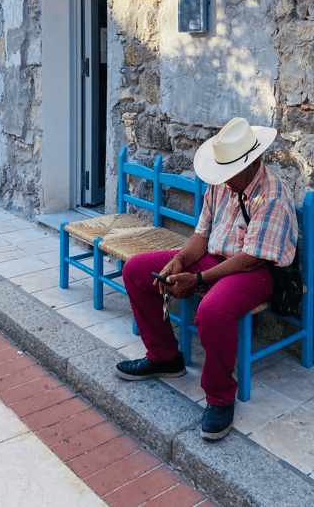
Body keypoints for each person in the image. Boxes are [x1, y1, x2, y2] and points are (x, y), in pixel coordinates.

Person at [115, 117, 297, 441]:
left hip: (256, 270)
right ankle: (164, 357)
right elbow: (202, 234)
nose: (225, 181)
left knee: (212, 311)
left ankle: (220, 397)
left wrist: (198, 279)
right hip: (218, 256)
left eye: (231, 174)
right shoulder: (223, 182)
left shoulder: (273, 194)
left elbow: (252, 258)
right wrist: (179, 260)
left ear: (252, 162)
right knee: (136, 270)